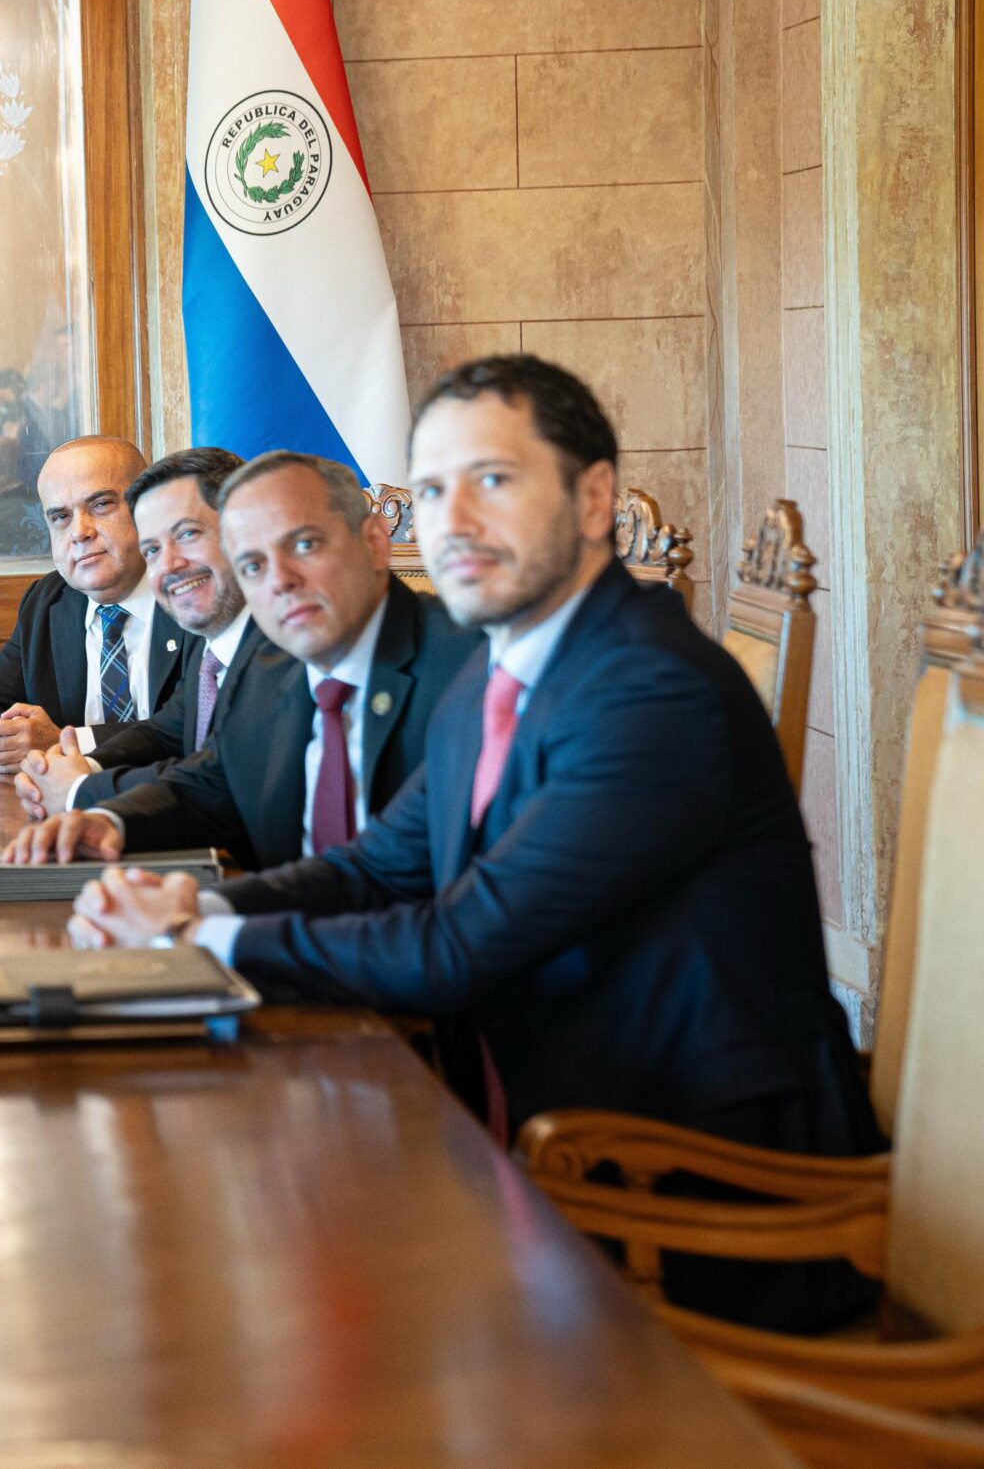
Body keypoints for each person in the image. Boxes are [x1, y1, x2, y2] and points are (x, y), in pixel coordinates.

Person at [68, 356, 880, 1330]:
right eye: (435, 488)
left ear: (593, 499)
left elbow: (456, 946)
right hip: (545, 1147)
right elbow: (377, 865)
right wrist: (198, 905)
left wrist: (204, 943)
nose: (450, 520)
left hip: (688, 1205)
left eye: (490, 480)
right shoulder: (503, 670)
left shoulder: (650, 690)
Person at [5, 451, 480, 871]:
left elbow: (404, 890)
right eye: (253, 563)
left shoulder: (469, 673)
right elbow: (219, 782)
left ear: (375, 542)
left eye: (303, 545)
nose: (280, 580)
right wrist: (106, 819)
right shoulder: (266, 666)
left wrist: (218, 920)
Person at [12, 447, 256, 820]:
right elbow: (165, 733)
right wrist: (72, 770)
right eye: (153, 549)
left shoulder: (281, 644)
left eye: (188, 534)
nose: (170, 565)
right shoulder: (217, 653)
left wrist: (80, 790)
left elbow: (220, 779)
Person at [0, 435, 187, 770]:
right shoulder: (48, 603)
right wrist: (2, 742)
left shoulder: (189, 590)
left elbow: (191, 728)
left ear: (146, 508)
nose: (80, 531)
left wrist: (67, 741)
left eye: (101, 505)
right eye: (61, 517)